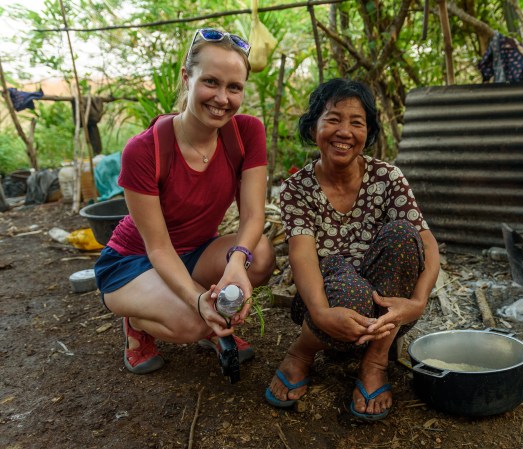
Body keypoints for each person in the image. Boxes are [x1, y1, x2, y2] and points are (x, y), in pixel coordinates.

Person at [94, 28, 275, 375]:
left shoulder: (247, 133)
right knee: (193, 324)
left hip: (195, 251)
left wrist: (237, 264)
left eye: (234, 87)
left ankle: (203, 313)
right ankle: (138, 322)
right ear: (186, 78)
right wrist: (198, 300)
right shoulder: (145, 149)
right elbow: (159, 248)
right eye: (211, 82)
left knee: (261, 254)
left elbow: (253, 214)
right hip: (135, 261)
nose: (222, 98)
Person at [265, 79, 440, 421]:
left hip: (384, 302)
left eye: (356, 122)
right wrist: (320, 313)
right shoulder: (296, 189)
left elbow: (427, 243)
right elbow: (302, 256)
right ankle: (301, 353)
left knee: (404, 235)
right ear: (313, 126)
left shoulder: (387, 177)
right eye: (332, 119)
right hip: (326, 294)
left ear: (368, 132)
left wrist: (417, 303)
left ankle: (375, 361)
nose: (344, 131)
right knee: (350, 291)